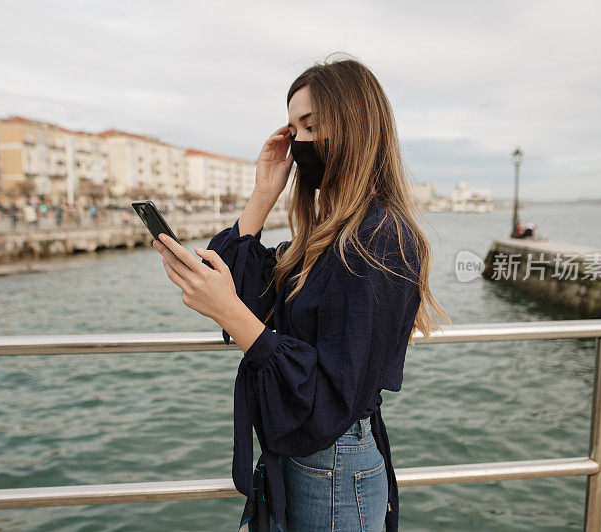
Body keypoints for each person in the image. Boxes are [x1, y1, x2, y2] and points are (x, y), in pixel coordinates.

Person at [152, 54, 449, 531]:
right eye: (293, 130)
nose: (299, 143)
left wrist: (229, 311)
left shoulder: (381, 240)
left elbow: (334, 395)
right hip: (299, 456)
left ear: (354, 124)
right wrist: (263, 193)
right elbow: (245, 291)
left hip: (335, 463)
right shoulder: (322, 238)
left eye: (310, 126)